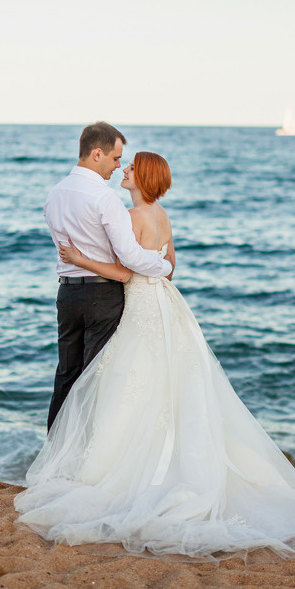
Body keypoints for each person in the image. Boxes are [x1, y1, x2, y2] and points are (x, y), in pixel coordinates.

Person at [16, 151, 295, 561]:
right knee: (170, 383)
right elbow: (170, 266)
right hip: (166, 305)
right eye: (123, 164)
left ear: (142, 177)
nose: (124, 170)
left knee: (129, 384)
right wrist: (159, 273)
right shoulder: (163, 215)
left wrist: (78, 260)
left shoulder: (130, 217)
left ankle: (102, 468)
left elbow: (123, 271)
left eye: (130, 168)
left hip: (139, 306)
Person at [42, 122, 173, 431]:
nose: (118, 166)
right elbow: (129, 260)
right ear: (97, 153)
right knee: (95, 376)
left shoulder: (55, 194)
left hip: (67, 295)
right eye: (116, 159)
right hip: (103, 295)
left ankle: (54, 453)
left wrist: (77, 260)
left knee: (66, 374)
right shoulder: (105, 198)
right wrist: (164, 268)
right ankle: (87, 452)